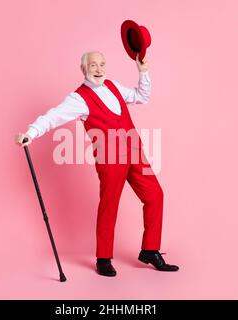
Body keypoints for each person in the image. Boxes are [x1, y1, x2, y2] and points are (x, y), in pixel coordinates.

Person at [15, 51, 179, 277]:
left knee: (155, 195)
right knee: (109, 205)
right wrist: (31, 132)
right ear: (84, 69)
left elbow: (141, 96)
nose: (99, 69)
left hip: (134, 151)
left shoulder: (113, 86)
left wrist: (143, 71)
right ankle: (103, 258)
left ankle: (150, 250)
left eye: (102, 64)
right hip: (110, 159)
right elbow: (54, 116)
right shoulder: (78, 98)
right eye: (93, 65)